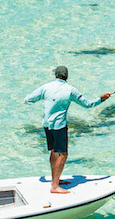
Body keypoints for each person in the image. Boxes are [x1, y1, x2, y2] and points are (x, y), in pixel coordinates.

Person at [25, 65, 110, 194]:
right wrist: (101, 99)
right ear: (67, 76)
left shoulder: (46, 87)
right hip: (59, 126)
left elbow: (28, 99)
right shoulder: (71, 90)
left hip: (46, 124)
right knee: (63, 154)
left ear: (56, 75)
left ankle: (55, 180)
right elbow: (88, 104)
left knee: (54, 152)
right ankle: (55, 186)